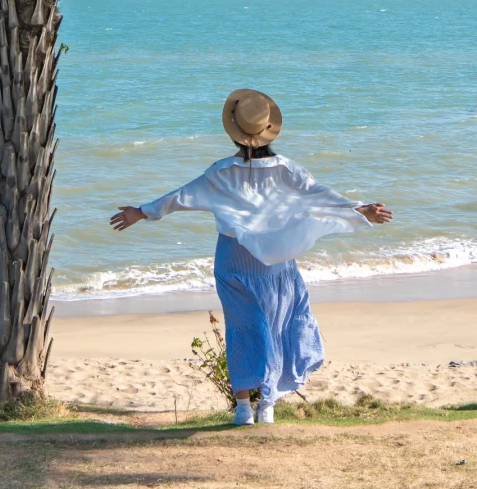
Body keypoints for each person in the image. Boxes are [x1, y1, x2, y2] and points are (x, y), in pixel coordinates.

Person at [110, 87, 392, 425]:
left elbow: (181, 197)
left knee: (243, 328)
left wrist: (142, 211)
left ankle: (244, 408)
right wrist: (357, 210)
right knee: (276, 326)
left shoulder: (220, 172)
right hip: (275, 260)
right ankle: (268, 404)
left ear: (234, 131)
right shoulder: (287, 170)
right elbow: (320, 197)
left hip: (233, 260)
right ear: (268, 129)